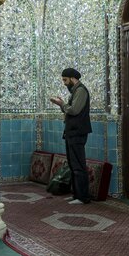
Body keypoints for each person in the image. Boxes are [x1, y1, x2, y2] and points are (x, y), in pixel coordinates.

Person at [49, 68, 92, 205]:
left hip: (77, 133)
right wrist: (62, 104)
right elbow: (70, 108)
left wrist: (61, 104)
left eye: (65, 80)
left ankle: (82, 197)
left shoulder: (81, 91)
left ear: (73, 78)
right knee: (73, 164)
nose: (64, 83)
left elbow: (74, 110)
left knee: (78, 165)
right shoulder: (75, 91)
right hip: (72, 132)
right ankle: (76, 195)